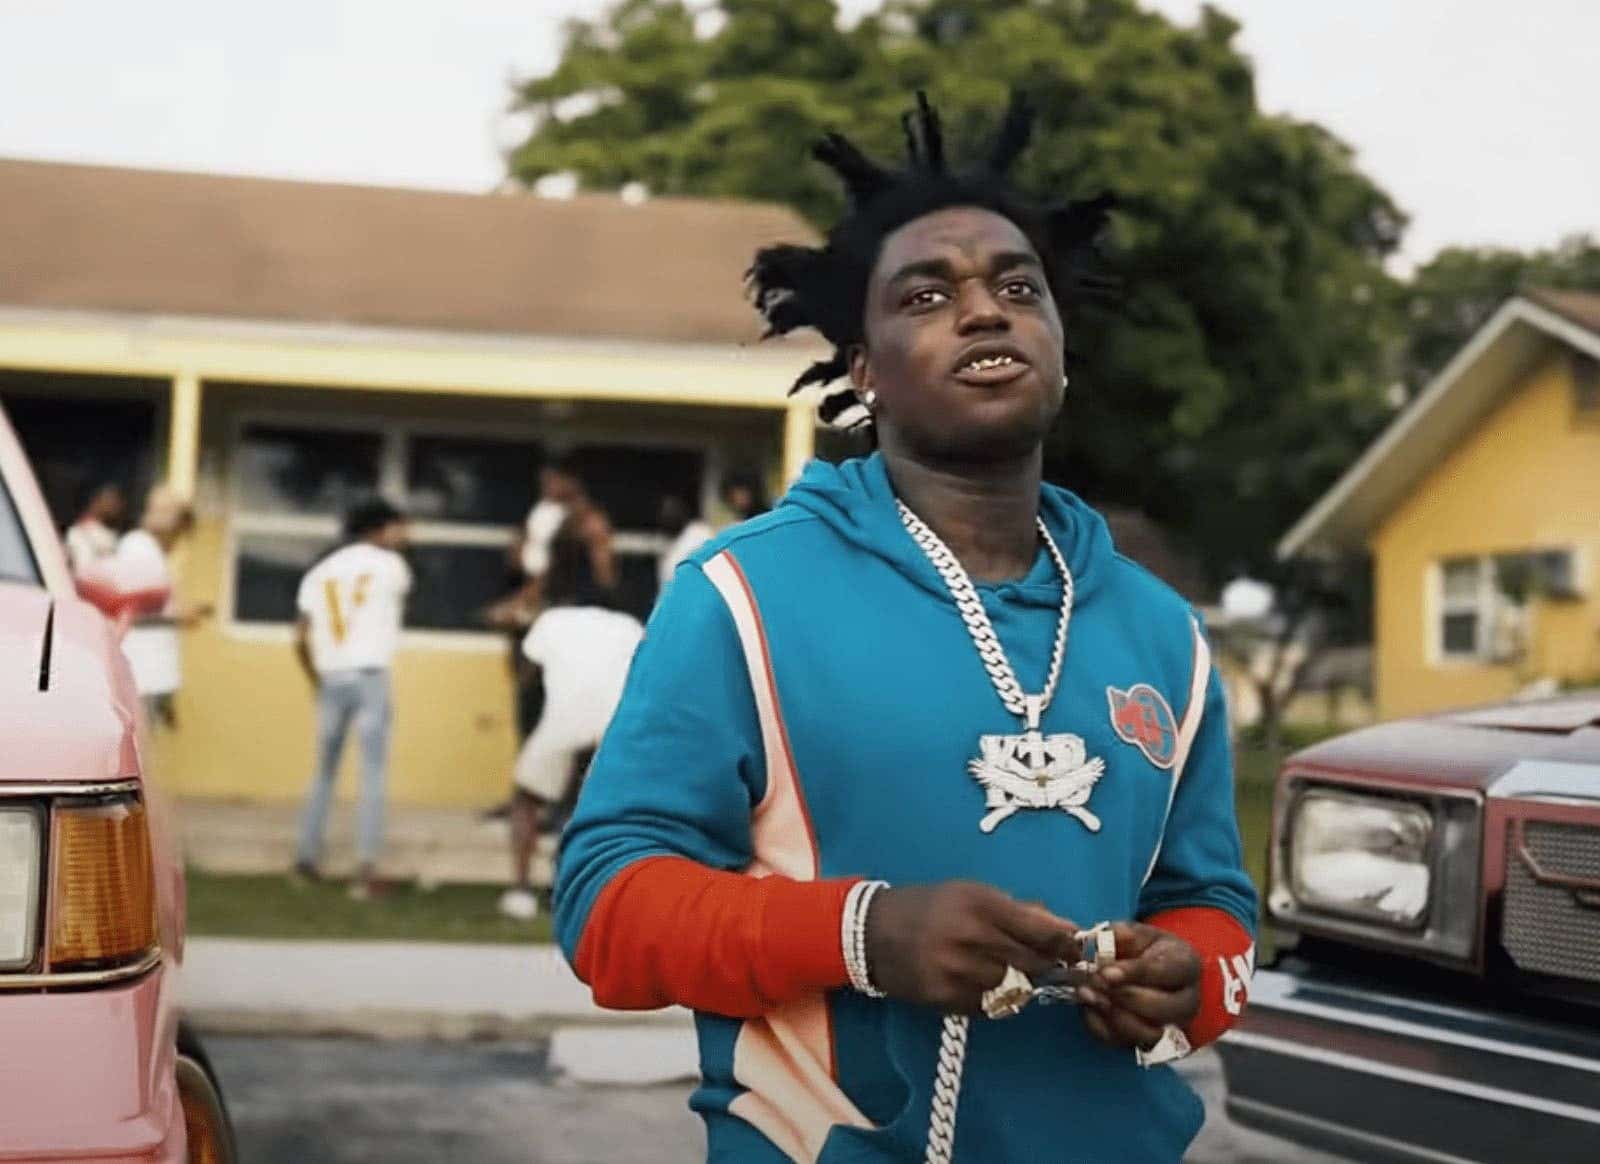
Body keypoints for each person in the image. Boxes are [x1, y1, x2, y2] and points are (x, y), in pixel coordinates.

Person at [554, 94, 1256, 1163]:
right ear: (864, 370)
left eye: (1018, 288)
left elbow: (1213, 908)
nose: (984, 313)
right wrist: (861, 935)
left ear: (1061, 346)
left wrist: (1186, 981)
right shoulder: (744, 593)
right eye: (927, 296)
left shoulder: (1163, 632)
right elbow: (605, 908)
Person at [497, 533, 644, 920]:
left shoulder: (550, 621)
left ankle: (520, 891)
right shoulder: (629, 625)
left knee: (527, 799)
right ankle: (593, 890)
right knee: (595, 807)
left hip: (564, 723)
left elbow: (524, 677)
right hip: (616, 733)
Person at [291, 498, 412, 902]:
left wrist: (316, 677)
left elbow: (300, 636)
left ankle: (306, 860)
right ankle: (365, 870)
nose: (405, 535)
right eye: (398, 526)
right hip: (370, 674)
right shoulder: (391, 565)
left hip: (331, 676)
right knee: (372, 772)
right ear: (380, 528)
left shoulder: (321, 570)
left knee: (324, 771)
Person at [111, 488, 209, 726]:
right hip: (142, 675)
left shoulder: (152, 552)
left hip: (153, 677)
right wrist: (179, 618)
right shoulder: (138, 549)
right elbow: (128, 611)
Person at [656, 474, 769, 589]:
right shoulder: (732, 524)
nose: (738, 497)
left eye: (742, 491)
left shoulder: (765, 519)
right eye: (734, 493)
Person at [65, 481, 126, 573]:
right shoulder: (78, 531)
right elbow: (83, 568)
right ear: (96, 501)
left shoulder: (114, 535)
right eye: (109, 501)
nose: (114, 507)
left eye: (117, 503)